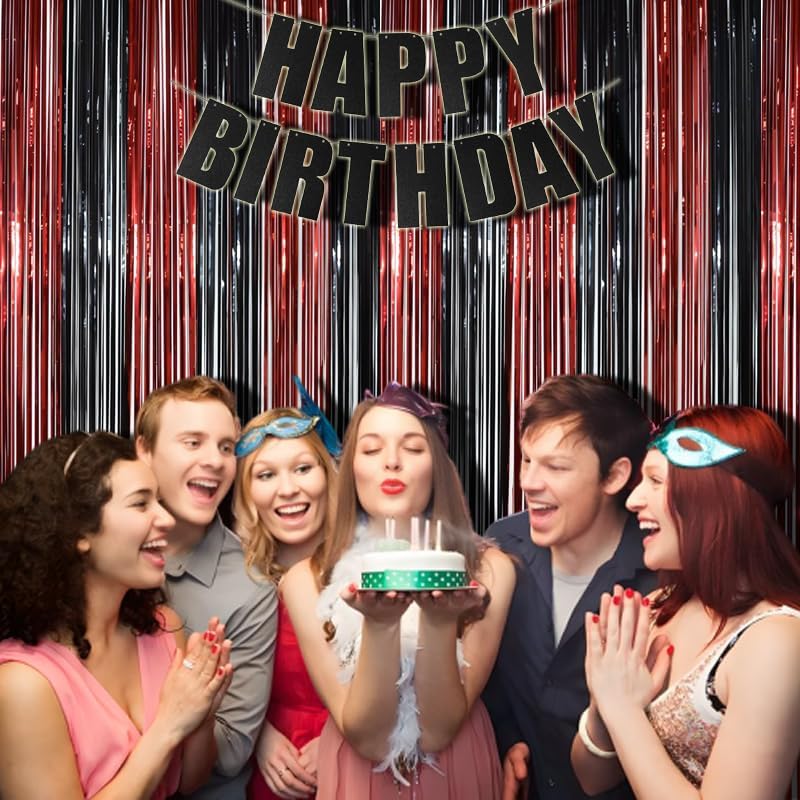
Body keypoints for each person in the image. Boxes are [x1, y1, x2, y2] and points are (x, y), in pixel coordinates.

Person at [281, 382, 516, 799]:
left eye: (412, 447)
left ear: (437, 466)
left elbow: (438, 731)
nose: (392, 461)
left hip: (457, 770)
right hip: (357, 777)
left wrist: (440, 620)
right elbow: (369, 740)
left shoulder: (490, 570)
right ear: (351, 468)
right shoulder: (306, 580)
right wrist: (381, 625)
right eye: (371, 449)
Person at [572, 405, 800, 800]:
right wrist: (602, 702)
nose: (633, 500)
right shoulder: (658, 607)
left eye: (655, 480)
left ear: (715, 497)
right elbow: (591, 779)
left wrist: (622, 708)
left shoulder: (777, 642)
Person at [0, 432, 233, 799]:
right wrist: (170, 724)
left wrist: (203, 711)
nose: (166, 518)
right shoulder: (23, 685)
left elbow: (190, 780)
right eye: (141, 504)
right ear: (78, 531)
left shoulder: (164, 630)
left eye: (158, 501)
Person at [482, 374, 655, 800]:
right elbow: (487, 674)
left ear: (614, 476)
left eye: (556, 467)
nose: (528, 482)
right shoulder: (501, 544)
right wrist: (507, 741)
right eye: (526, 460)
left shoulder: (660, 571)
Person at [135, 376, 278, 799]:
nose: (214, 461)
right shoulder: (101, 555)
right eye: (193, 442)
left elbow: (231, 750)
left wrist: (193, 700)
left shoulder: (251, 586)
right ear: (144, 450)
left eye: (226, 447)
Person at [233, 392, 340, 800]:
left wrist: (342, 739)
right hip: (269, 776)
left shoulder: (369, 569)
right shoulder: (235, 579)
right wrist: (256, 736)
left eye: (303, 468)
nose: (288, 489)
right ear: (247, 492)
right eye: (265, 475)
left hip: (357, 767)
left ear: (328, 475)